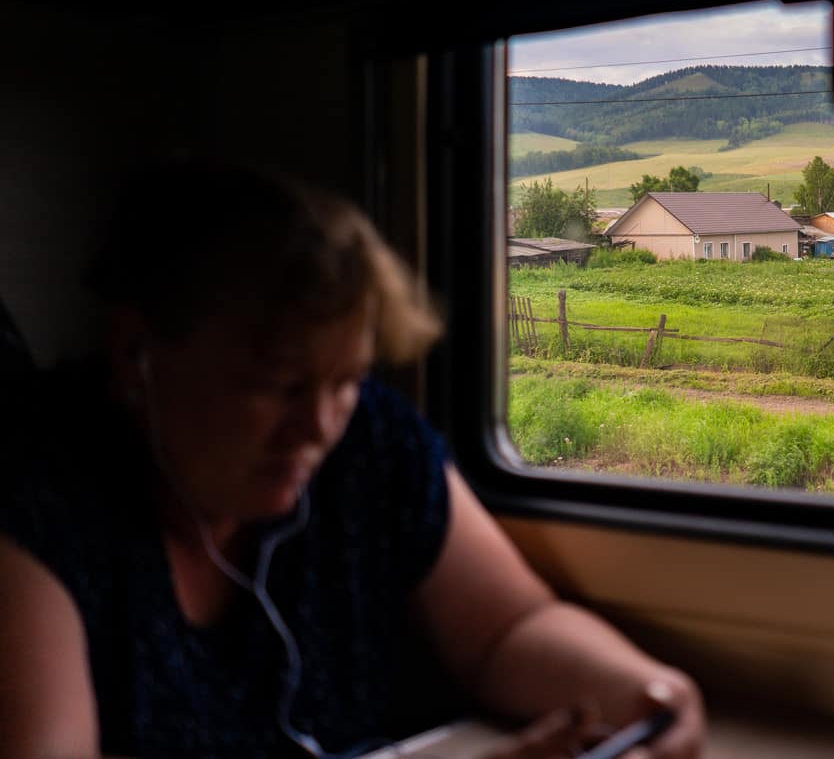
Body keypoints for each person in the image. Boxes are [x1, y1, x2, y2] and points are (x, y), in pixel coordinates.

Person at [0, 161, 704, 758]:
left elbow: (506, 628)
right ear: (136, 354)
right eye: (278, 383)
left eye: (346, 380)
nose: (317, 426)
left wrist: (641, 688)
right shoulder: (38, 500)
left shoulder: (369, 441)